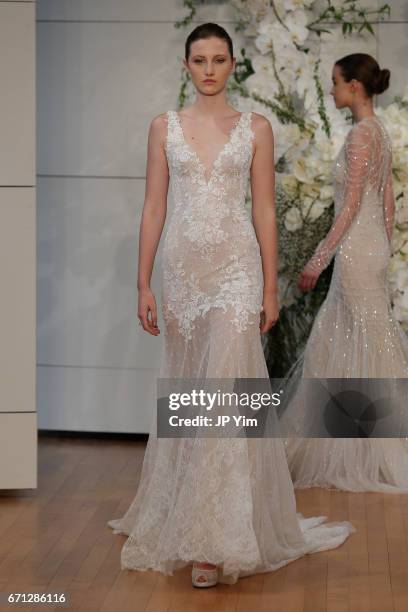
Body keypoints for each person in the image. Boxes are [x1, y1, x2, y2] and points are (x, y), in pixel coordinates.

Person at [107, 23, 355, 588]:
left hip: (237, 272)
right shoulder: (163, 128)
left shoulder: (256, 129)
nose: (210, 69)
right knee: (192, 392)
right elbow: (153, 209)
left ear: (234, 63)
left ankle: (214, 541)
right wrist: (142, 284)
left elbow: (265, 211)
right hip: (185, 274)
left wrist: (269, 285)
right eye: (200, 59)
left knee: (224, 390)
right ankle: (187, 514)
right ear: (186, 66)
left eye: (220, 59)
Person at [280, 53, 408, 492]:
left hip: (355, 249)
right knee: (358, 339)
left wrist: (317, 260)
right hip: (371, 247)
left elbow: (351, 205)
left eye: (335, 83)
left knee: (364, 340)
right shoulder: (380, 133)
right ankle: (354, 439)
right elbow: (388, 200)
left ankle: (373, 447)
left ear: (354, 87)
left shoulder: (359, 136)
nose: (331, 91)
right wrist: (384, 247)